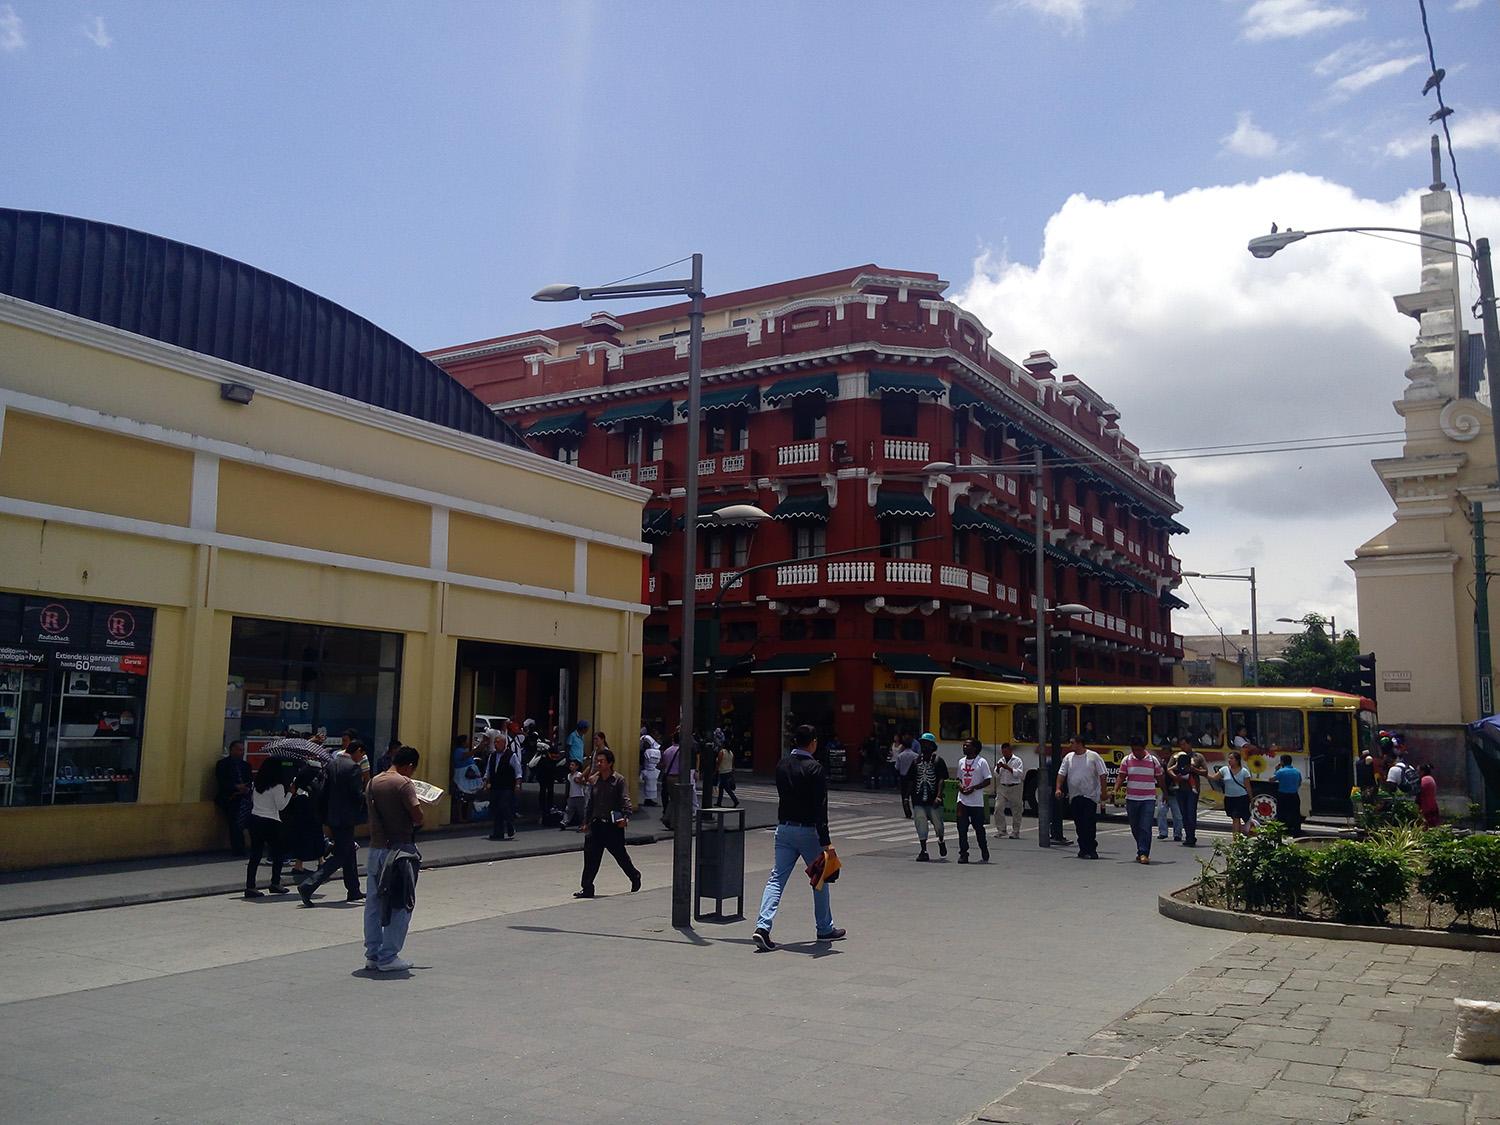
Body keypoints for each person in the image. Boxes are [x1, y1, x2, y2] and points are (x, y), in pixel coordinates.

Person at [753, 725, 843, 950]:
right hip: (808, 831)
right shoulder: (815, 768)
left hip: (784, 828)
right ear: (812, 742)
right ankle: (824, 928)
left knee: (776, 878)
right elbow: (820, 808)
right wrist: (826, 841)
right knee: (819, 879)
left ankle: (762, 926)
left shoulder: (781, 765)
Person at [363, 745, 423, 972]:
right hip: (400, 852)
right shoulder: (404, 784)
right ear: (409, 765)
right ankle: (389, 956)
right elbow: (417, 818)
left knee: (373, 904)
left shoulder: (373, 782)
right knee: (401, 902)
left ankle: (373, 954)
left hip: (376, 849)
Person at [299, 738, 368, 906]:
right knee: (341, 855)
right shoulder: (352, 768)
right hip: (346, 817)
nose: (362, 757)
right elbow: (357, 795)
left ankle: (353, 889)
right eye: (362, 754)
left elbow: (323, 790)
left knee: (349, 851)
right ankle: (308, 885)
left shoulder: (332, 764)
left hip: (332, 816)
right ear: (357, 750)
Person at [573, 747, 642, 898]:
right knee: (590, 857)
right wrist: (586, 822)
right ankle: (587, 888)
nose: (598, 764)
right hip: (596, 825)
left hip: (612, 826)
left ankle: (634, 875)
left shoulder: (618, 780)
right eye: (597, 761)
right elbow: (590, 803)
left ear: (610, 763)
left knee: (620, 855)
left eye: (602, 761)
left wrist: (626, 817)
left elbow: (625, 800)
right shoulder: (595, 780)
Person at [244, 758, 294, 898]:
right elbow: (281, 806)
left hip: (255, 818)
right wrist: (290, 793)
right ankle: (275, 883)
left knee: (255, 854)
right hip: (271, 820)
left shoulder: (256, 784)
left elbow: (254, 801)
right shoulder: (277, 786)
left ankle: (250, 886)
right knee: (278, 853)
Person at [1056, 736, 1108, 859]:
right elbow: (1061, 774)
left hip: (1089, 796)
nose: (1070, 745)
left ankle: (1091, 848)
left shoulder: (1093, 756)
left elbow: (1103, 774)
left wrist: (1103, 791)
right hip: (1075, 795)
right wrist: (1058, 788)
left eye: (1072, 743)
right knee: (1079, 824)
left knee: (1089, 823)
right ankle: (1083, 848)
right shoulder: (1068, 757)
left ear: (1080, 743)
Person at [1114, 738, 1164, 865]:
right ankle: (1140, 849)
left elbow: (1160, 777)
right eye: (1134, 750)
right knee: (1135, 827)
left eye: (1138, 750)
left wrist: (1165, 792)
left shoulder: (1153, 760)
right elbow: (1121, 776)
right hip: (1132, 799)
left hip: (1148, 799)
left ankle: (1144, 853)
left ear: (1144, 748)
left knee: (1145, 826)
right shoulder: (1127, 760)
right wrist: (1115, 790)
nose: (1136, 752)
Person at [906, 732, 949, 861]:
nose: (924, 746)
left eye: (927, 744)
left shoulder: (938, 761)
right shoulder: (915, 762)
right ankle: (923, 849)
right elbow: (911, 780)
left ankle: (941, 840)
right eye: (922, 744)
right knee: (920, 823)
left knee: (938, 825)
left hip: (933, 799)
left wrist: (939, 796)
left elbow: (942, 779)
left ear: (932, 746)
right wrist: (906, 798)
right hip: (918, 799)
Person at [283, 763, 328, 876]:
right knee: (317, 838)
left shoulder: (300, 784)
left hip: (301, 818)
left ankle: (299, 865)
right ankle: (320, 861)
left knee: (302, 839)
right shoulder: (316, 784)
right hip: (314, 817)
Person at [954, 738, 992, 865]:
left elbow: (988, 780)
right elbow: (959, 778)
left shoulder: (982, 762)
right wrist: (960, 786)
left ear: (975, 748)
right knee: (962, 828)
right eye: (964, 745)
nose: (964, 747)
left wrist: (974, 788)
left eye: (967, 746)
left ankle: (984, 849)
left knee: (978, 828)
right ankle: (963, 853)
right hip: (962, 800)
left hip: (976, 801)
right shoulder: (961, 762)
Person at [213, 740, 253, 855]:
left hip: (244, 797)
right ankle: (238, 848)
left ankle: (244, 846)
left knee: (244, 822)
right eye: (239, 750)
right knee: (235, 823)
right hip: (230, 797)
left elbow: (250, 780)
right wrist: (235, 787)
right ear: (232, 750)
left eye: (242, 750)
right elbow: (222, 781)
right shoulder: (222, 764)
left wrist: (246, 788)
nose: (241, 752)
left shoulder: (245, 765)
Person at [485, 726, 521, 841]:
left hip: (506, 786)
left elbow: (518, 771)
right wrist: (486, 782)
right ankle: (498, 833)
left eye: (497, 742)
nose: (495, 744)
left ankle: (510, 824)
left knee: (504, 806)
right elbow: (488, 771)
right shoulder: (492, 756)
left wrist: (517, 784)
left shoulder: (511, 755)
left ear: (503, 743)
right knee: (495, 809)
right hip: (495, 786)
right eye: (494, 742)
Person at [1167, 738, 1204, 847]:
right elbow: (1169, 769)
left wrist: (1193, 769)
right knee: (1184, 813)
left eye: (1184, 744)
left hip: (1193, 789)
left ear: (1190, 744)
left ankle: (1191, 836)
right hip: (1180, 789)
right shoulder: (1176, 756)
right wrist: (1175, 777)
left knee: (1191, 813)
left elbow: (1205, 771)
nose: (1182, 747)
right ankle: (1188, 835)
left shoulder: (1198, 757)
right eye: (1180, 745)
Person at [993, 742, 1025, 840]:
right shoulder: (1001, 760)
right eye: (1003, 752)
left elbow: (1019, 774)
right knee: (998, 807)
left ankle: (1015, 831)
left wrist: (1009, 768)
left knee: (1016, 810)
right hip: (1003, 786)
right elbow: (996, 775)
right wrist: (998, 768)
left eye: (1006, 752)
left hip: (1015, 786)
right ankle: (1001, 830)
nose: (1004, 754)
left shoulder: (1017, 760)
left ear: (1010, 751)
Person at [1216, 750, 1253, 836]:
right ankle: (1238, 837)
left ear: (1237, 760)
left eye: (1231, 758)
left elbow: (1248, 786)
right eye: (1229, 758)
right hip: (1229, 798)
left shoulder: (1244, 771)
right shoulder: (1224, 769)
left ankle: (1236, 839)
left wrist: (1251, 799)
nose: (1229, 760)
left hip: (1241, 798)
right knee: (1235, 818)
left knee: (1238, 818)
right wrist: (1203, 772)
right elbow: (1214, 778)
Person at [450, 736, 484, 824]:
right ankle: (460, 817)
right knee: (461, 799)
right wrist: (476, 750)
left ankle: (469, 816)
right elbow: (465, 756)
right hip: (462, 777)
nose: (468, 743)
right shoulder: (458, 751)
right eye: (467, 741)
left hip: (468, 779)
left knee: (470, 797)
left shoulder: (464, 751)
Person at [1272, 754, 1303, 836]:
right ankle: (1296, 831)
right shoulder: (1297, 771)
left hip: (1283, 795)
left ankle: (1283, 831)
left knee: (1282, 813)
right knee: (1295, 813)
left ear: (1282, 762)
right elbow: (1299, 782)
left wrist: (1276, 770)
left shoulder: (1281, 771)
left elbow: (1272, 779)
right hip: (1294, 795)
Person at [893, 738, 919, 817]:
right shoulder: (916, 756)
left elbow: (897, 767)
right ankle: (917, 811)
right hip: (914, 778)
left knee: (904, 795)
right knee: (914, 796)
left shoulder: (900, 756)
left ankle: (907, 813)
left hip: (903, 777)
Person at [562, 758, 589, 830]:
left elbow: (584, 783)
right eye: (570, 765)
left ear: (577, 767)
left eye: (573, 765)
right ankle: (564, 822)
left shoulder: (579, 774)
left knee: (581, 812)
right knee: (568, 810)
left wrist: (579, 781)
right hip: (571, 796)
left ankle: (583, 823)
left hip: (579, 795)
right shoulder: (569, 776)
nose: (571, 766)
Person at [640, 730, 662, 807]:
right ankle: (648, 800)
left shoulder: (648, 752)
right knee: (650, 786)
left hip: (649, 770)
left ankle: (649, 800)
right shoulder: (655, 751)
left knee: (649, 786)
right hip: (652, 770)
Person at [716, 742, 740, 807]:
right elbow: (732, 763)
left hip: (723, 772)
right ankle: (719, 802)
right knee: (721, 787)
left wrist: (716, 769)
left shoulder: (722, 752)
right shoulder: (731, 753)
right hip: (729, 771)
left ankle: (735, 800)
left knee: (727, 788)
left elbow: (719, 762)